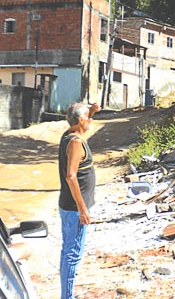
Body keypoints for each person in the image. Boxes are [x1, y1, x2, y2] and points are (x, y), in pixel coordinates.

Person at [58, 102, 100, 299]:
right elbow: (71, 176)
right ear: (81, 121)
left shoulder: (70, 135)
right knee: (73, 254)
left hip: (68, 206)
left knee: (68, 250)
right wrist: (83, 209)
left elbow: (82, 120)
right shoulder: (75, 143)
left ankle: (67, 294)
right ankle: (67, 296)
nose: (91, 120)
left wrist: (91, 111)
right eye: (88, 117)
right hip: (74, 209)